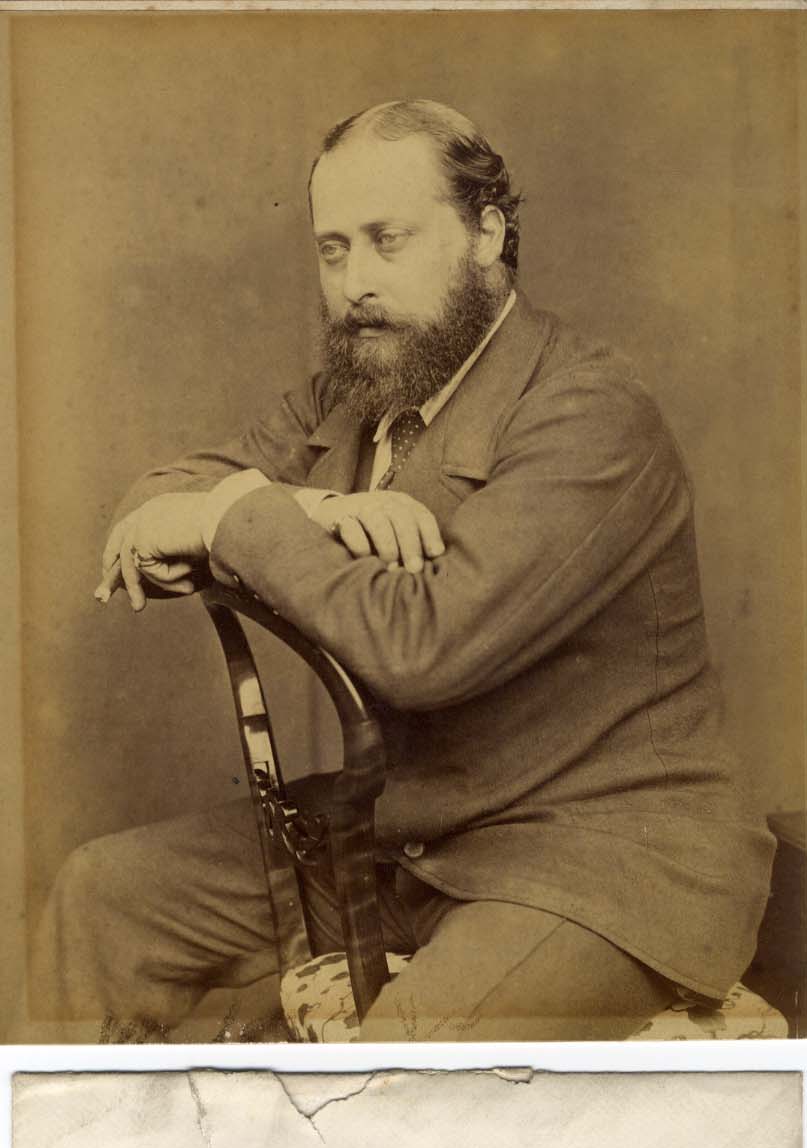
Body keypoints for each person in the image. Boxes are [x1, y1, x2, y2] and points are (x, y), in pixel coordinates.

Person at [24, 98, 774, 1042]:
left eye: (388, 240)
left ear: (485, 234)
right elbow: (156, 501)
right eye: (333, 249)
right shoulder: (359, 394)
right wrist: (316, 508)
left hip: (597, 858)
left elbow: (427, 648)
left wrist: (232, 516)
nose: (355, 285)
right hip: (412, 834)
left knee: (398, 1066)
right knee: (105, 898)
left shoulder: (589, 411)